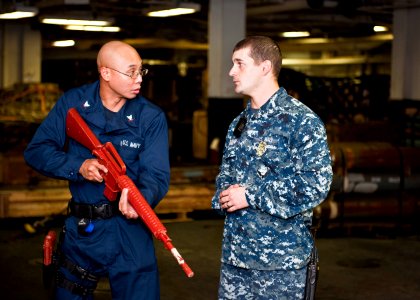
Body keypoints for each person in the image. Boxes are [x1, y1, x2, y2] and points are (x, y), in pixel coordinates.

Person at [24, 41, 170, 300]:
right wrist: (77, 166)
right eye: (131, 71)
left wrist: (142, 199)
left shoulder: (151, 117)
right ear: (106, 73)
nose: (139, 79)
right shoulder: (73, 103)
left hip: (131, 231)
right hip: (83, 231)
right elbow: (37, 151)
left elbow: (156, 174)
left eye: (141, 71)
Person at [211, 36, 333, 299]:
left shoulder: (302, 121)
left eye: (239, 64)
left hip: (280, 266)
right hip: (235, 258)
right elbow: (226, 173)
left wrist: (249, 196)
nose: (231, 71)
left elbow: (316, 185)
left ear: (265, 67)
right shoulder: (239, 123)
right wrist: (223, 195)